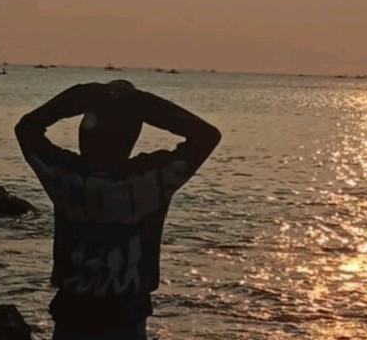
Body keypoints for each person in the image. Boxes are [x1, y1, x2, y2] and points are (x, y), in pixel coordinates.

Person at [15, 79, 221, 339]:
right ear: (132, 136)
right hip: (127, 313)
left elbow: (27, 128)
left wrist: (82, 96)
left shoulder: (65, 177)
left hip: (74, 311)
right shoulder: (151, 179)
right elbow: (206, 136)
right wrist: (143, 104)